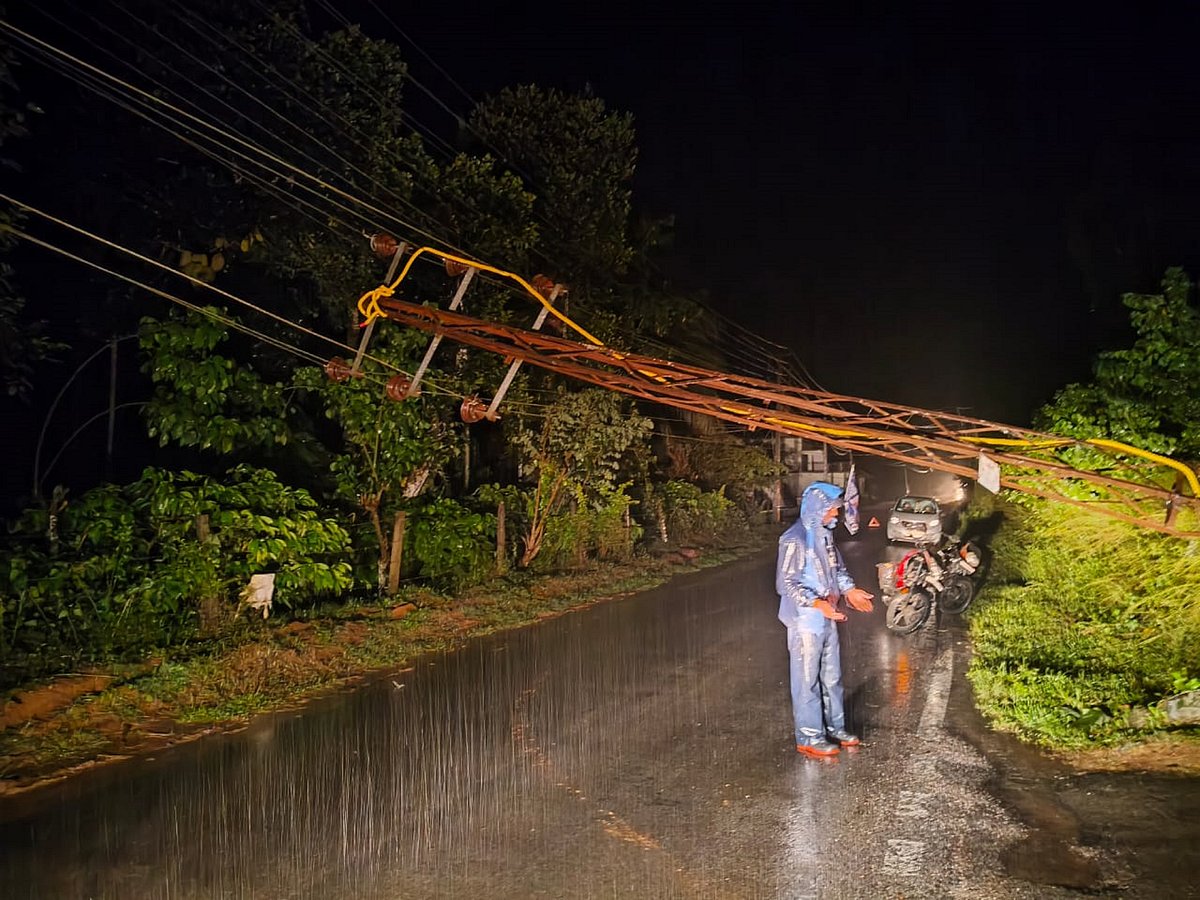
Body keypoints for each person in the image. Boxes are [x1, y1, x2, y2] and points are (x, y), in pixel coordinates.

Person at [776, 481, 875, 757]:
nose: (835, 514)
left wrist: (851, 590)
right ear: (818, 507)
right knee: (806, 679)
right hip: (806, 621)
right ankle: (809, 736)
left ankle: (836, 726)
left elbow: (837, 570)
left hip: (828, 615)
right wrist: (818, 603)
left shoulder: (825, 536)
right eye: (832, 509)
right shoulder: (794, 539)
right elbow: (786, 584)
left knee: (832, 677)